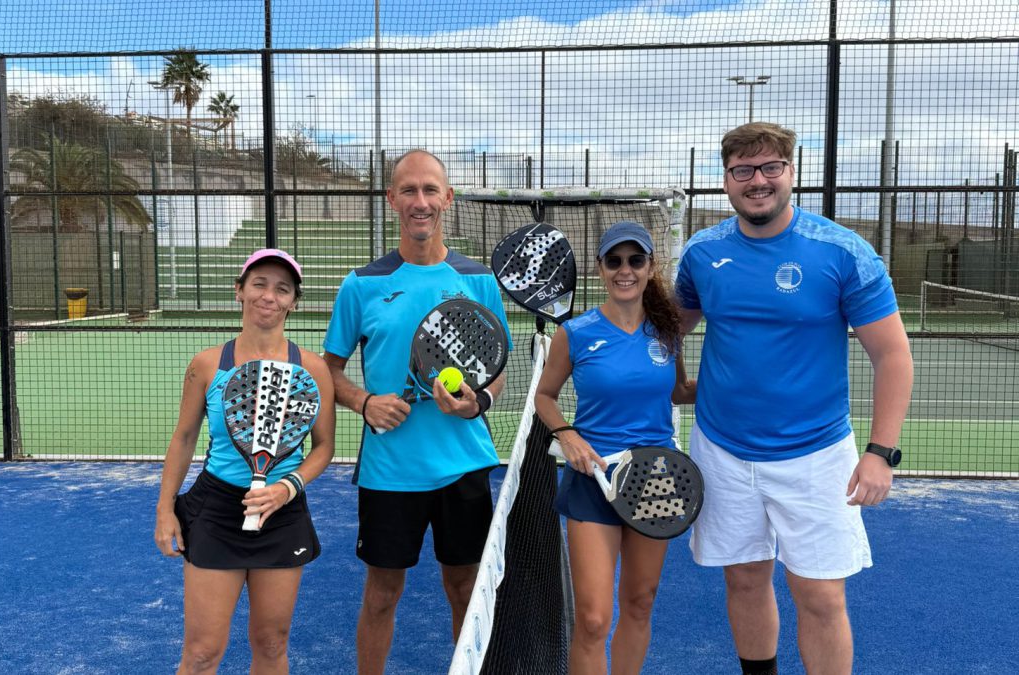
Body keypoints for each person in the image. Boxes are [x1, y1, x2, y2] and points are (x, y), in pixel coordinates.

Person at [675, 122, 913, 675]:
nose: (757, 181)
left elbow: (893, 356)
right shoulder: (702, 253)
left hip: (817, 456)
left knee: (821, 595)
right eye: (742, 170)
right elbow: (667, 333)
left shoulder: (843, 251)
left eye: (770, 167)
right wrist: (677, 386)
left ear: (791, 172)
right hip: (722, 450)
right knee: (744, 578)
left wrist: (881, 452)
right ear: (726, 180)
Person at [322, 149, 512, 674]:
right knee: (382, 593)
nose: (420, 201)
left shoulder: (479, 280)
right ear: (392, 199)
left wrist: (480, 402)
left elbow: (496, 365)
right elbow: (329, 369)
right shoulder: (362, 284)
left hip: (463, 466)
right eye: (408, 190)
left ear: (447, 198)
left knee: (466, 591)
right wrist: (364, 401)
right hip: (390, 471)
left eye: (430, 190)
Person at [154, 248, 336, 674]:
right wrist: (165, 509)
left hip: (283, 513)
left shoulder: (313, 369)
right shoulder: (206, 365)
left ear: (294, 302)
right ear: (239, 291)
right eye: (259, 284)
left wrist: (286, 488)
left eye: (282, 289)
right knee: (202, 653)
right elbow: (183, 438)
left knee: (271, 643)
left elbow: (324, 447)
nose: (269, 296)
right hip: (216, 511)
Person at [533, 220, 696, 674]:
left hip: (656, 481)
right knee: (592, 619)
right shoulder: (576, 333)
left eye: (635, 260)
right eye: (615, 261)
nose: (626, 270)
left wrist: (741, 382)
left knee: (640, 602)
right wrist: (567, 435)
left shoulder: (667, 332)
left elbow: (680, 391)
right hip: (594, 479)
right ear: (601, 268)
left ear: (649, 267)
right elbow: (544, 397)